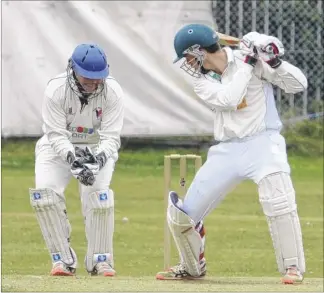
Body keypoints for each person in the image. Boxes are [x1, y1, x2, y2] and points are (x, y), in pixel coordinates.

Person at [156, 24, 307, 284]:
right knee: (183, 216)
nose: (187, 64)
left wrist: (274, 60)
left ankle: (292, 267)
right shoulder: (201, 80)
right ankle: (191, 267)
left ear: (200, 51)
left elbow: (299, 85)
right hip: (226, 150)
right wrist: (249, 61)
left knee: (279, 201)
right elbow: (229, 98)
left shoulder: (250, 59)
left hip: (263, 143)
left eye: (188, 57)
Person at [29, 43, 124, 277]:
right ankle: (62, 260)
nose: (93, 85)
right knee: (45, 196)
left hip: (96, 147)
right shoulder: (56, 89)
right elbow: (55, 134)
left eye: (98, 79)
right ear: (72, 70)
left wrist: (98, 159)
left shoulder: (113, 91)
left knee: (99, 198)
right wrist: (72, 158)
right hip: (57, 148)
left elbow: (111, 137)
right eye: (87, 79)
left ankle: (101, 261)